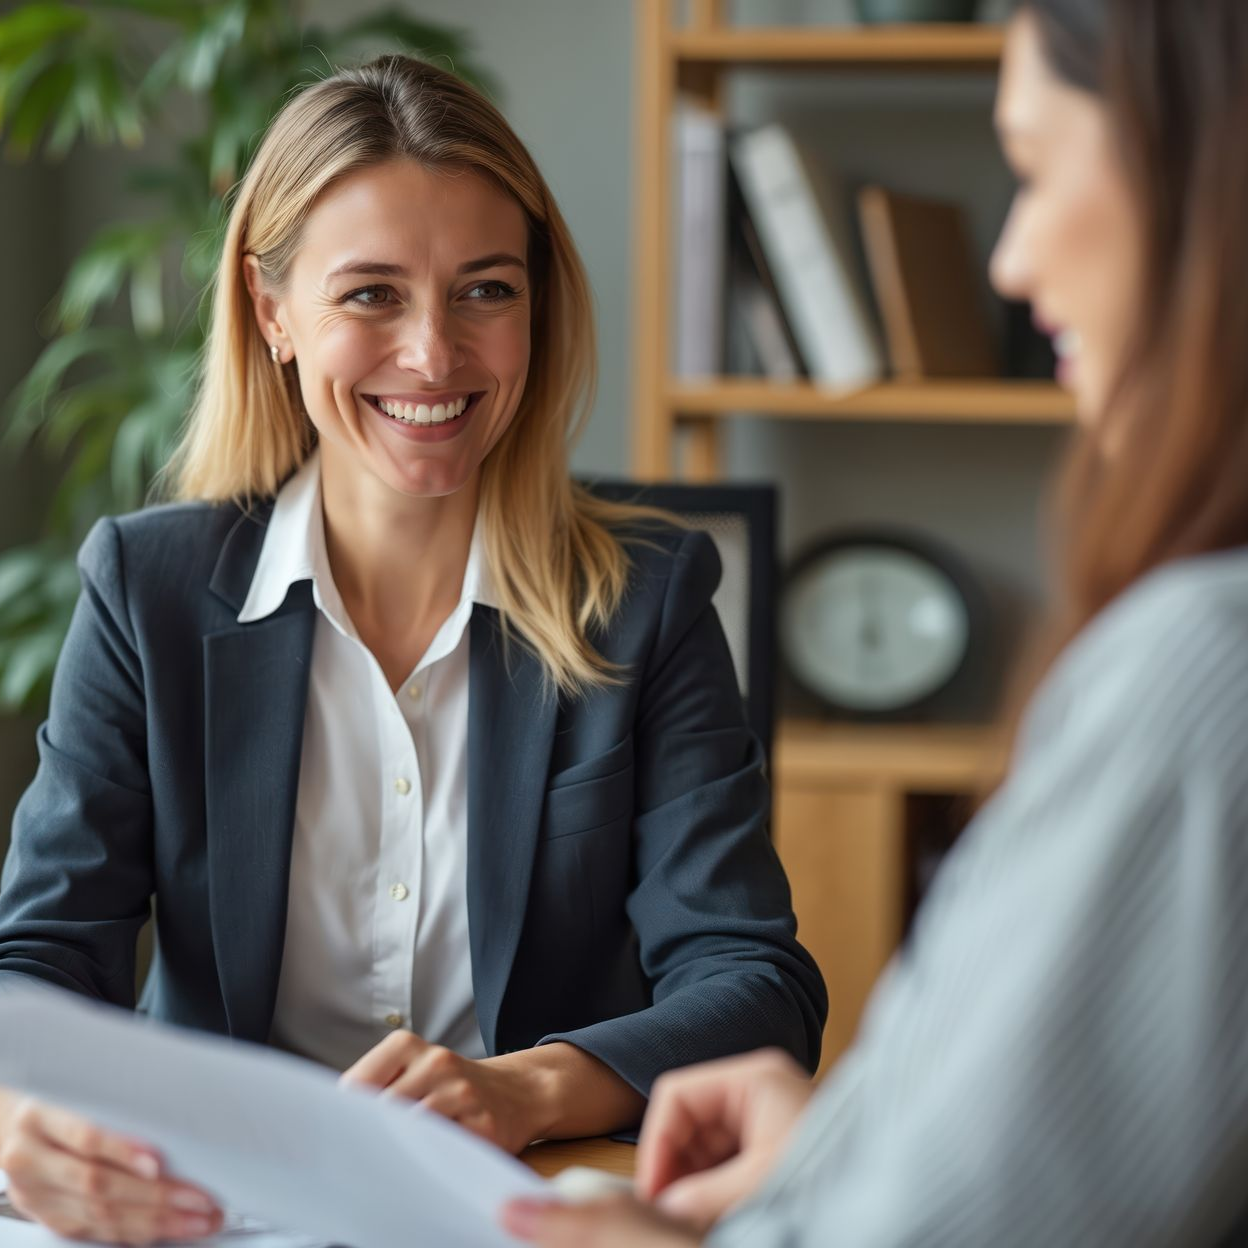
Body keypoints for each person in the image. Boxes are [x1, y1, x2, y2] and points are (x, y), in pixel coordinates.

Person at [0, 55, 826, 1245]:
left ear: (536, 307)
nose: (435, 357)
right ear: (273, 313)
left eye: (485, 291)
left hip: (513, 1208)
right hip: (209, 1212)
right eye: (372, 295)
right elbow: (37, 958)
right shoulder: (149, 592)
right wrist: (31, 1118)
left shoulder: (643, 601)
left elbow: (755, 989)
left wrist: (521, 1086)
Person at [501, 0, 1248, 1243]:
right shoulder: (150, 588)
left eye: (1035, 169)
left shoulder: (1200, 669)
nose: (1008, 262)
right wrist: (852, 1135)